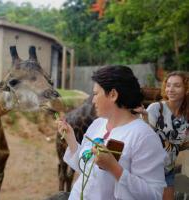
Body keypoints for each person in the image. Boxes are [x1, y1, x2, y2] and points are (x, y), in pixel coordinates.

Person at [57, 65, 166, 200]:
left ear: (113, 95)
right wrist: (71, 140)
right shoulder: (98, 125)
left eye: (96, 94)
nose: (93, 100)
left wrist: (115, 169)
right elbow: (87, 168)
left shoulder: (144, 136)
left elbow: (154, 195)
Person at [146, 71, 189, 200]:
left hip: (170, 170)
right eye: (168, 85)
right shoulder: (155, 109)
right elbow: (145, 139)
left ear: (186, 88)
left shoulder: (186, 115)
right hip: (149, 170)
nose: (171, 89)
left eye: (177, 85)